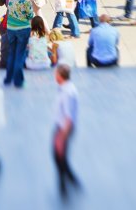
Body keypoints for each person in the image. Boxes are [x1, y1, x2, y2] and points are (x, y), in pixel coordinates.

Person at [52, 64, 80, 197]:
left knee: (60, 157)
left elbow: (69, 117)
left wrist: (61, 137)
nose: (54, 76)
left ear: (60, 76)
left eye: (55, 74)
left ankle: (67, 184)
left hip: (63, 128)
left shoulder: (67, 92)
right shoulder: (65, 88)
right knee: (60, 157)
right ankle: (68, 181)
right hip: (61, 126)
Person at [4, 0, 35, 87]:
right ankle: (18, 80)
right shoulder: (26, 1)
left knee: (12, 53)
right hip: (23, 29)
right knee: (20, 54)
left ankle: (8, 78)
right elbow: (30, 16)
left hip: (11, 29)